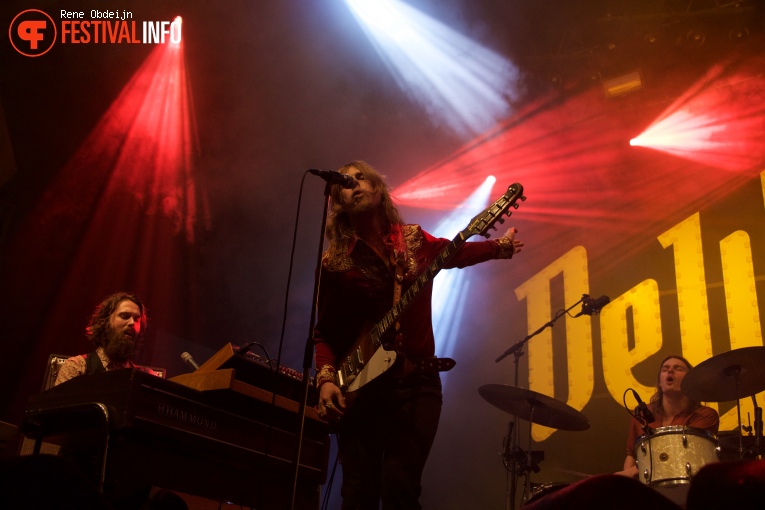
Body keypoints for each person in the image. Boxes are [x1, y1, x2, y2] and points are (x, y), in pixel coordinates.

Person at [313, 161, 524, 510]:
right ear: (339, 203)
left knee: (399, 487)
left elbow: (452, 252)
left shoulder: (413, 240)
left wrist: (497, 247)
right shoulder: (335, 264)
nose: (354, 184)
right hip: (360, 391)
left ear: (379, 189)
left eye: (362, 177)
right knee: (357, 493)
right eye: (346, 184)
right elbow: (324, 333)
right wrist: (325, 380)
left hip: (416, 384)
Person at [616, 354, 720, 479]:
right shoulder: (643, 414)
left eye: (678, 368)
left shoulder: (705, 415)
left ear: (690, 380)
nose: (670, 371)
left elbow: (681, 454)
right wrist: (627, 483)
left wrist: (630, 472)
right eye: (665, 369)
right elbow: (632, 454)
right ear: (659, 382)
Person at [54, 292, 158, 385]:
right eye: (124, 316)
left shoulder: (147, 377)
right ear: (105, 322)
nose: (132, 323)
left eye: (137, 319)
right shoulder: (77, 367)